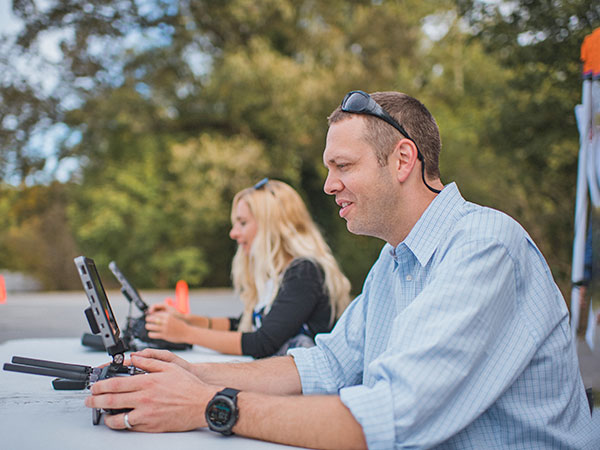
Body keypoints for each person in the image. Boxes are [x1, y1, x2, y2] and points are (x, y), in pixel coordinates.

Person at [85, 91, 596, 449]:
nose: (329, 186)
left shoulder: (485, 246)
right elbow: (325, 367)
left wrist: (207, 405)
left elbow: (390, 418)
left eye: (343, 166)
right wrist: (189, 373)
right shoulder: (395, 257)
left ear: (402, 160)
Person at [144, 178, 352, 358]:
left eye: (242, 223)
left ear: (271, 226)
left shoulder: (304, 272)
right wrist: (187, 320)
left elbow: (261, 342)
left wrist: (184, 333)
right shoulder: (280, 274)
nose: (233, 233)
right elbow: (246, 326)